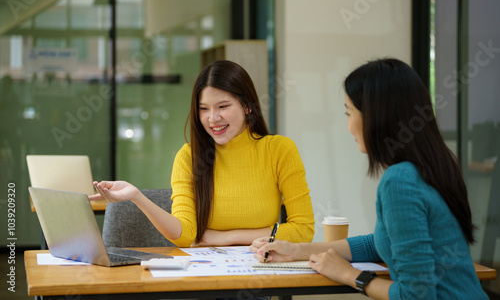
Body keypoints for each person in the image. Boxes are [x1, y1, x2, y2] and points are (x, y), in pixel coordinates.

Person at [250, 58, 488, 299]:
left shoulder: (399, 181)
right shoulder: (434, 166)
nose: (348, 125)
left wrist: (349, 275)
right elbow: (381, 243)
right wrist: (296, 250)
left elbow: (416, 296)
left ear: (375, 116)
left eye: (349, 112)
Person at [90, 60, 315, 247]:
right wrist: (137, 197)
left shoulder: (279, 150)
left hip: (257, 273)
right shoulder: (189, 156)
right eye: (204, 109)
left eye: (223, 106)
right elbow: (186, 235)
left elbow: (303, 230)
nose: (212, 118)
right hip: (205, 276)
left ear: (247, 106)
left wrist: (224, 237)